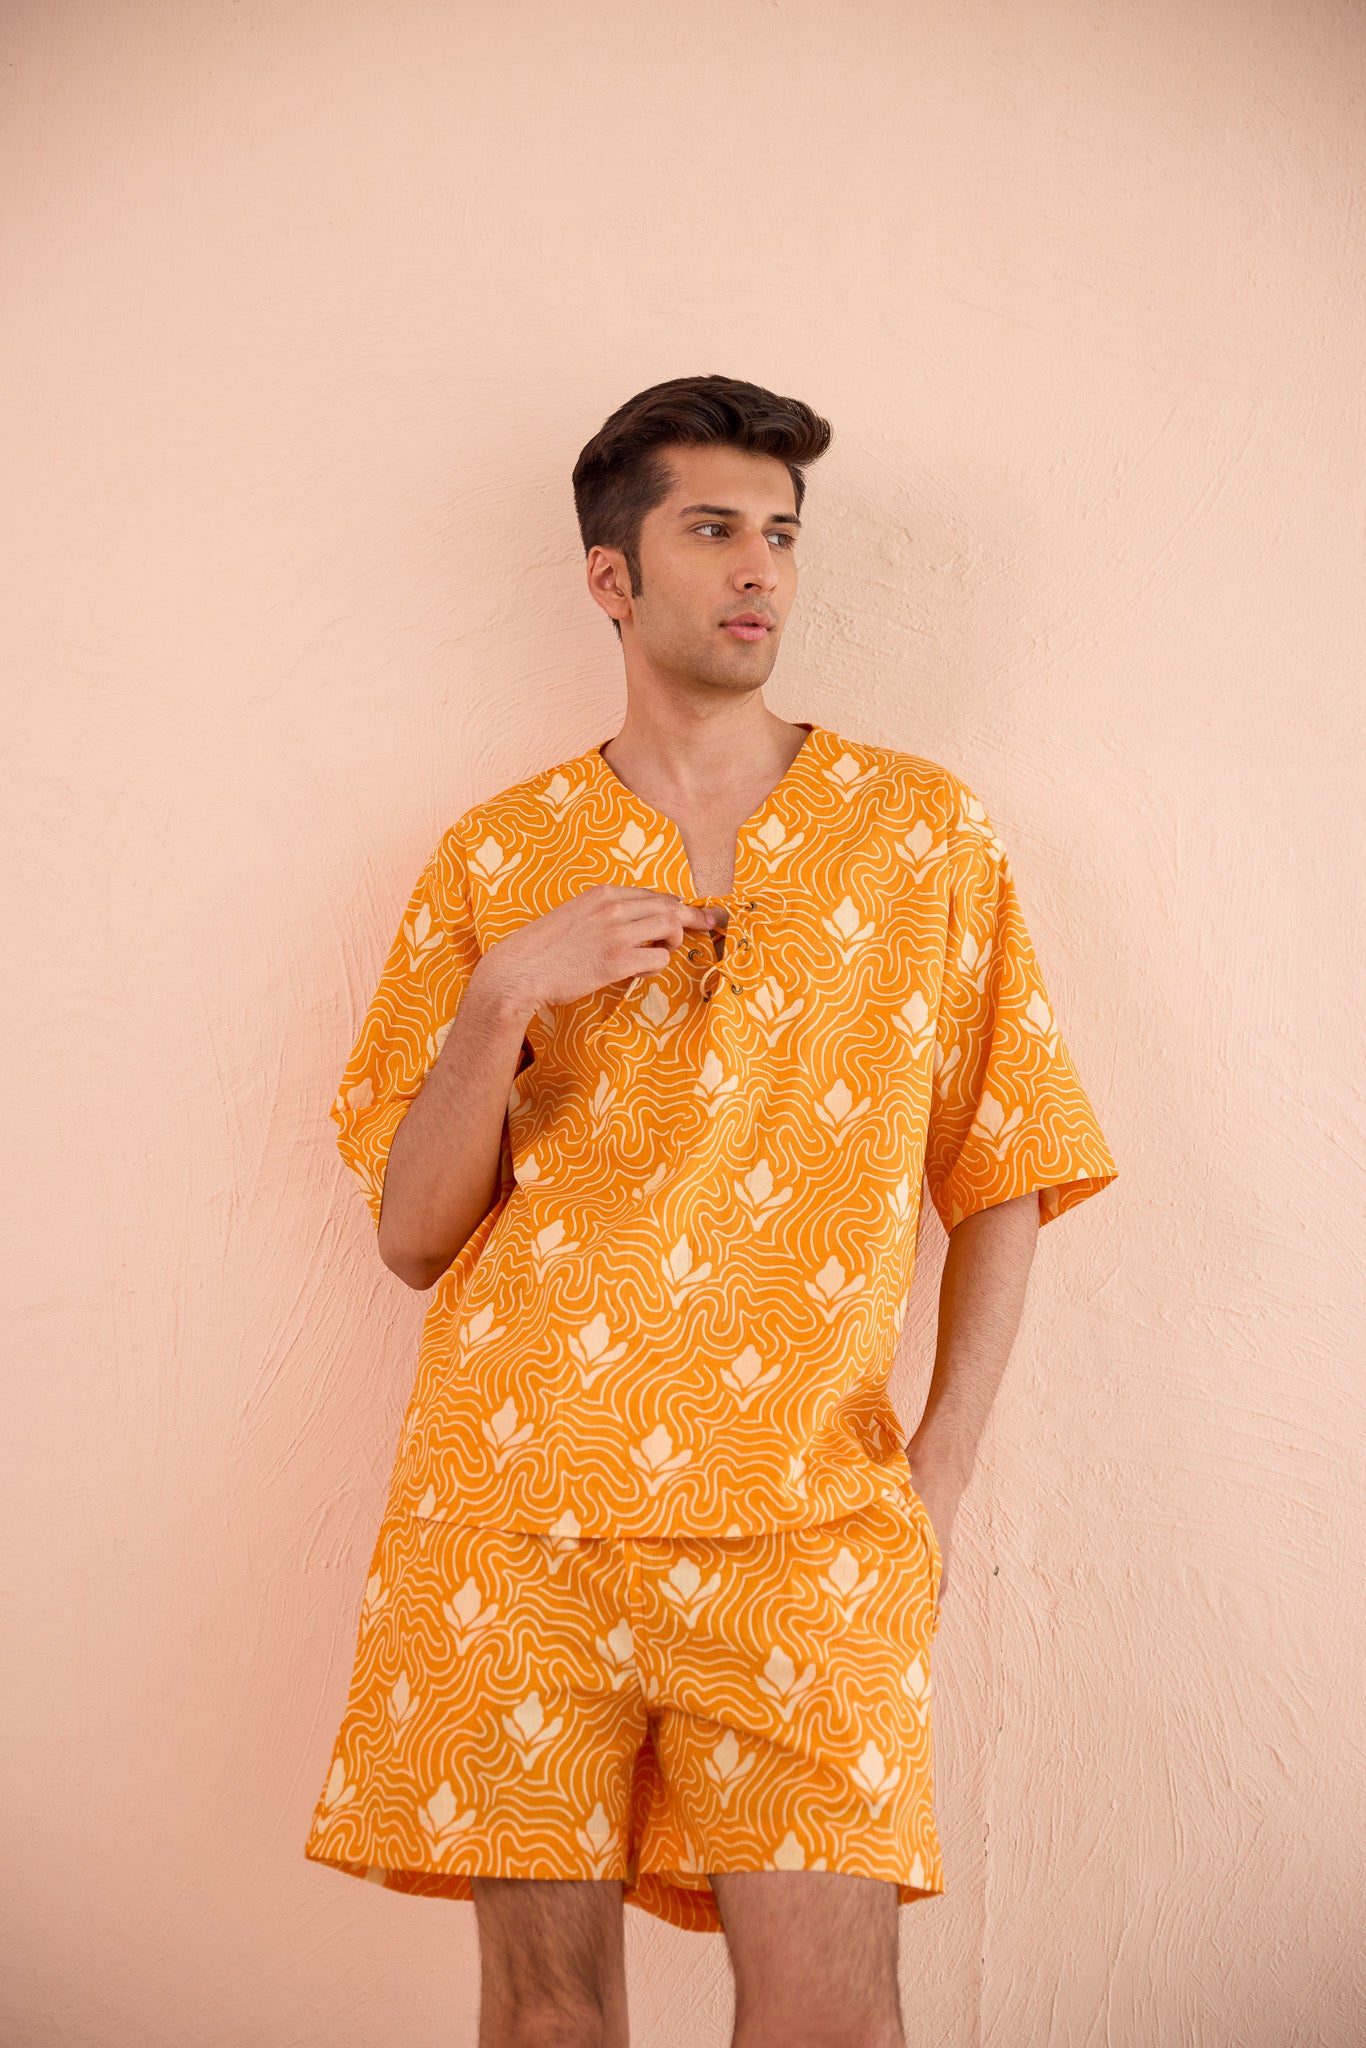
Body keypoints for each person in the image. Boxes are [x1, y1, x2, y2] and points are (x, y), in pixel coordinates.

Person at [304, 374, 1118, 2046]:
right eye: (713, 529)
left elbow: (1006, 1161)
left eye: (781, 535)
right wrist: (500, 1000)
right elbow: (411, 1237)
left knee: (832, 2015)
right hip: (514, 1517)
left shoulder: (920, 834)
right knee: (545, 2017)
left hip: (809, 1521)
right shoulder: (494, 856)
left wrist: (937, 1476)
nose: (760, 568)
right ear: (610, 576)